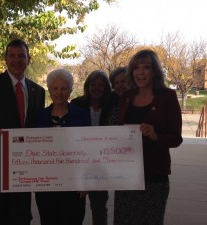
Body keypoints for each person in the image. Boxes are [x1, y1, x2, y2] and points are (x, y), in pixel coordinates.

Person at [0, 39, 45, 225]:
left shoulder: (39, 91)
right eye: (12, 56)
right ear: (5, 59)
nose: (17, 60)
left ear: (29, 59)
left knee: (21, 217)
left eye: (21, 56)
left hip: (26, 170)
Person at [114, 49, 183, 225]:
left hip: (154, 175)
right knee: (124, 220)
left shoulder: (167, 97)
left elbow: (176, 138)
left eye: (146, 67)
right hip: (126, 174)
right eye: (136, 68)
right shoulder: (127, 97)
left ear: (155, 72)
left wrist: (156, 135)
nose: (140, 72)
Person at [35, 68, 91, 225]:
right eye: (55, 88)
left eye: (64, 88)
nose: (59, 92)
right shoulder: (39, 117)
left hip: (74, 185)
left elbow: (88, 150)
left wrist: (86, 181)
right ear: (49, 90)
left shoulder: (82, 115)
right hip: (46, 186)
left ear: (70, 91)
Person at [71, 70, 112, 225]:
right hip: (79, 164)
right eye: (93, 84)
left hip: (102, 165)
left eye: (101, 85)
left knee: (99, 207)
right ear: (87, 86)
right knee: (75, 207)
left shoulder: (112, 105)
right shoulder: (76, 104)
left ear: (106, 88)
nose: (96, 88)